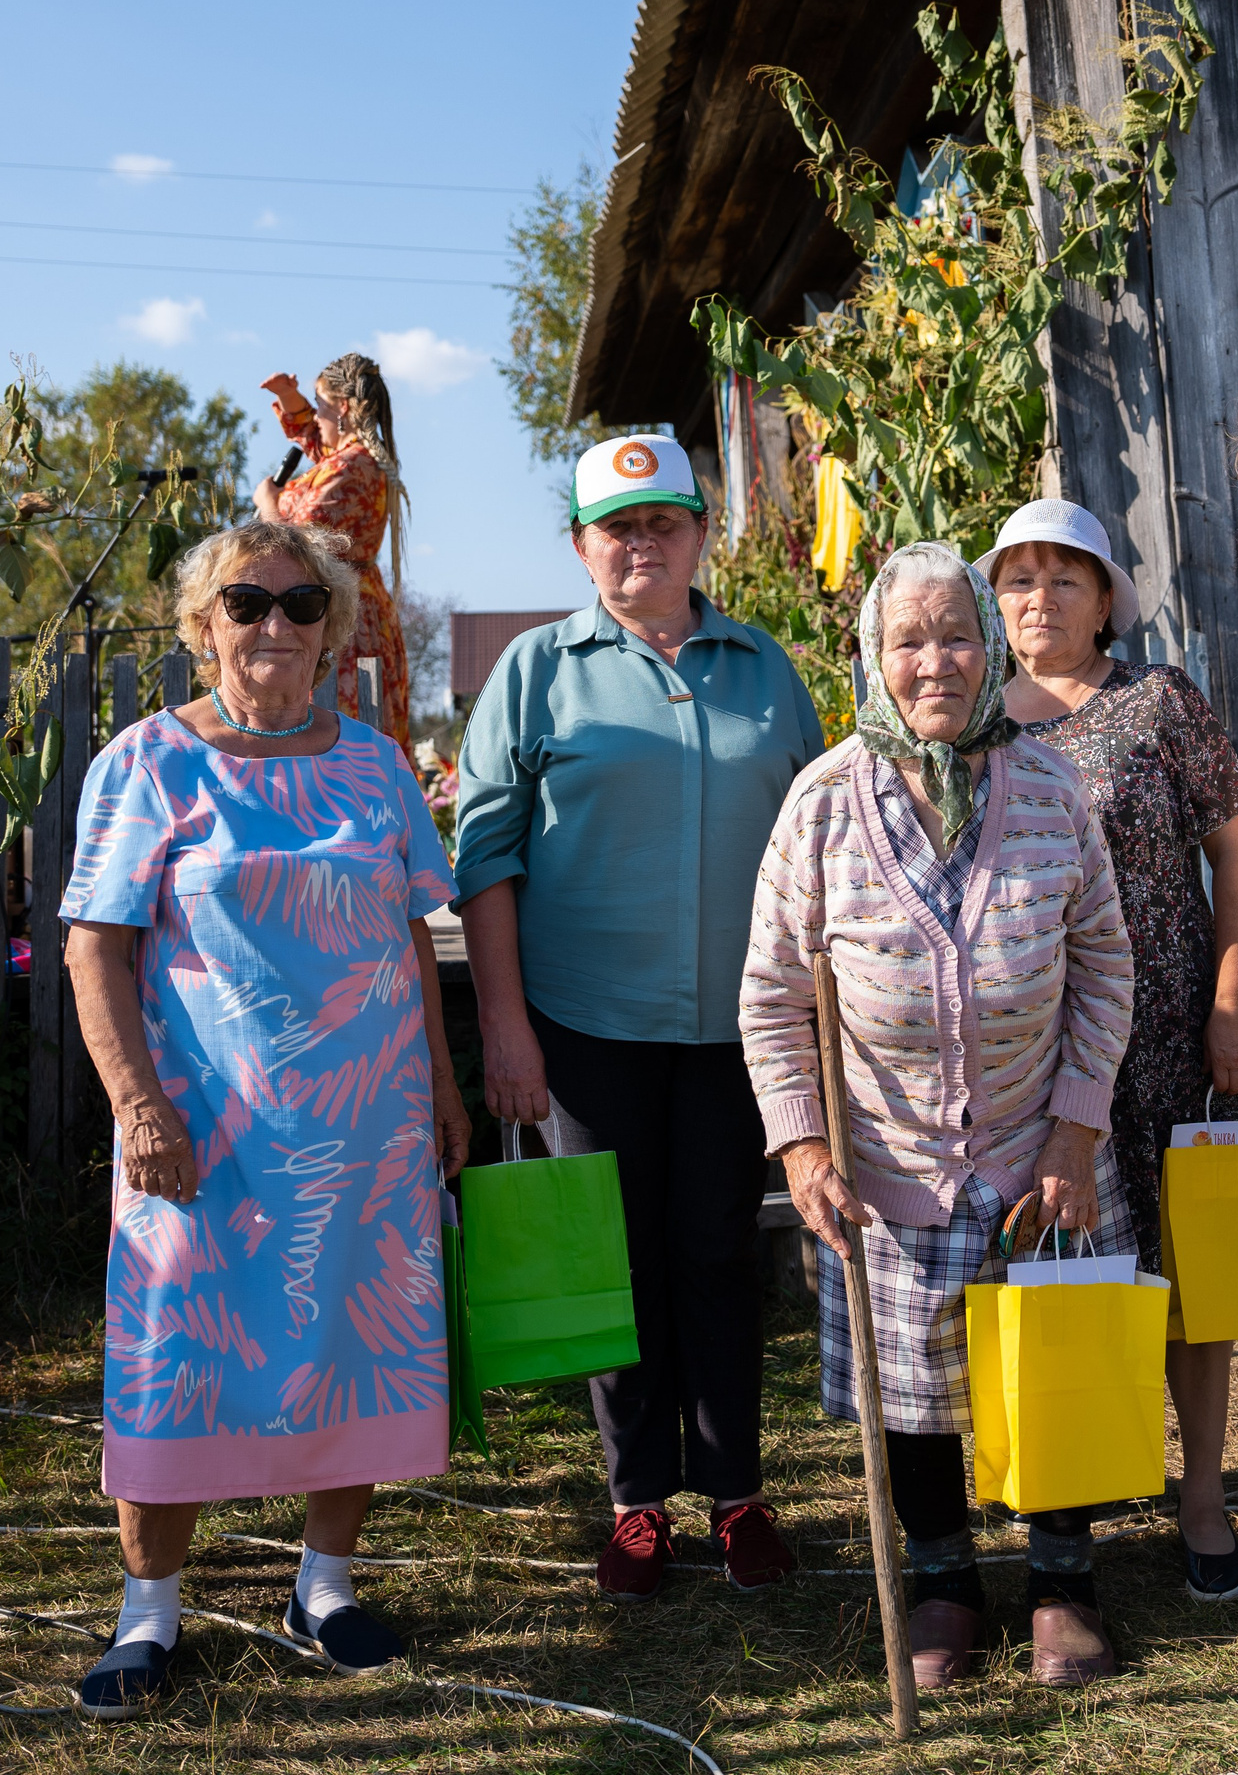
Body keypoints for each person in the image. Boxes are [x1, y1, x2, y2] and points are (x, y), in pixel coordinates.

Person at [60, 519, 475, 1719]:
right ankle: (149, 1614)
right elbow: (95, 949)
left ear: (336, 632)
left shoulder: (380, 766)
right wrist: (136, 1104)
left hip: (368, 1130)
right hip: (202, 1133)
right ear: (203, 627)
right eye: (246, 603)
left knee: (357, 1343)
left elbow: (409, 931)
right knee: (173, 1355)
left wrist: (442, 1088)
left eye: (302, 606)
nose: (275, 626)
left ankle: (325, 1588)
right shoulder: (145, 764)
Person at [742, 544, 1137, 1690]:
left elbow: (1104, 960)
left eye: (956, 634)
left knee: (1054, 1362)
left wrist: (1075, 1125)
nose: (935, 662)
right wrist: (803, 1140)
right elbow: (771, 990)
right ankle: (945, 1578)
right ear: (872, 654)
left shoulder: (1053, 786)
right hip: (889, 1151)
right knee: (911, 1390)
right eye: (907, 640)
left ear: (988, 643)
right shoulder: (821, 801)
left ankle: (1062, 1576)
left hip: (1036, 1144)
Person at [451, 433, 825, 1600]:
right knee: (607, 1261)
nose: (641, 542)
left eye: (664, 519)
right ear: (579, 545)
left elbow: (824, 853)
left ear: (702, 532)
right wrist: (505, 1025)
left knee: (718, 1250)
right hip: (584, 1025)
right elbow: (484, 859)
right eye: (616, 526)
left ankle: (737, 1492)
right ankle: (633, 1503)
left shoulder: (766, 669)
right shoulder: (536, 670)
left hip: (739, 1031)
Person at [979, 497, 1238, 1604]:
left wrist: (1235, 996)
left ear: (1106, 598)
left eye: (1064, 577)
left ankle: (1201, 1489)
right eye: (1016, 579)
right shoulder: (974, 723)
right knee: (1064, 1263)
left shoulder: (1154, 701)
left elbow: (1236, 852)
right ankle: (1079, 1480)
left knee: (1187, 1267)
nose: (1037, 599)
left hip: (1168, 1025)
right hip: (1031, 1048)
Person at [258, 354, 412, 740]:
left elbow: (294, 549)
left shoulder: (350, 467)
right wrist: (289, 395)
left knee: (340, 737)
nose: (316, 416)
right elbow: (313, 433)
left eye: (320, 405)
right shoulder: (352, 458)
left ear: (342, 408)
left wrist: (267, 505)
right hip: (346, 607)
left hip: (341, 618)